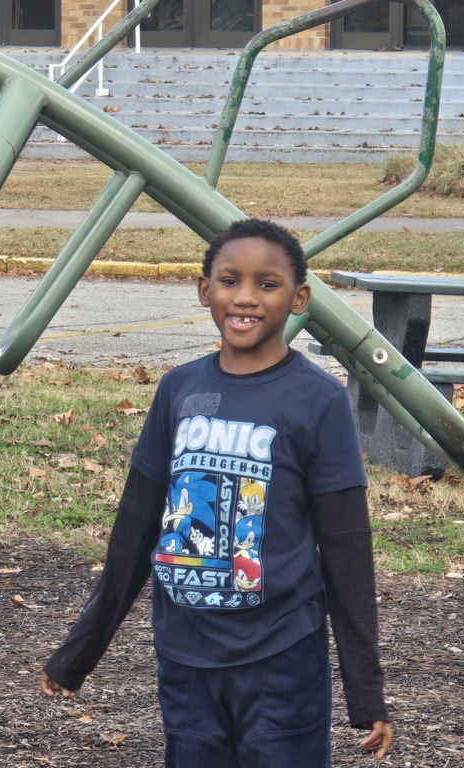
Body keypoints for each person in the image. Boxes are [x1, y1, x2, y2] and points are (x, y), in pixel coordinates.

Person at [40, 217, 392, 765]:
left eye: (267, 284)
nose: (245, 297)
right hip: (185, 655)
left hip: (281, 658)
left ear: (299, 298)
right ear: (204, 289)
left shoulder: (318, 400)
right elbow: (134, 531)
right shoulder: (179, 389)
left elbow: (347, 549)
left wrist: (365, 691)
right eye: (229, 281)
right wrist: (78, 654)